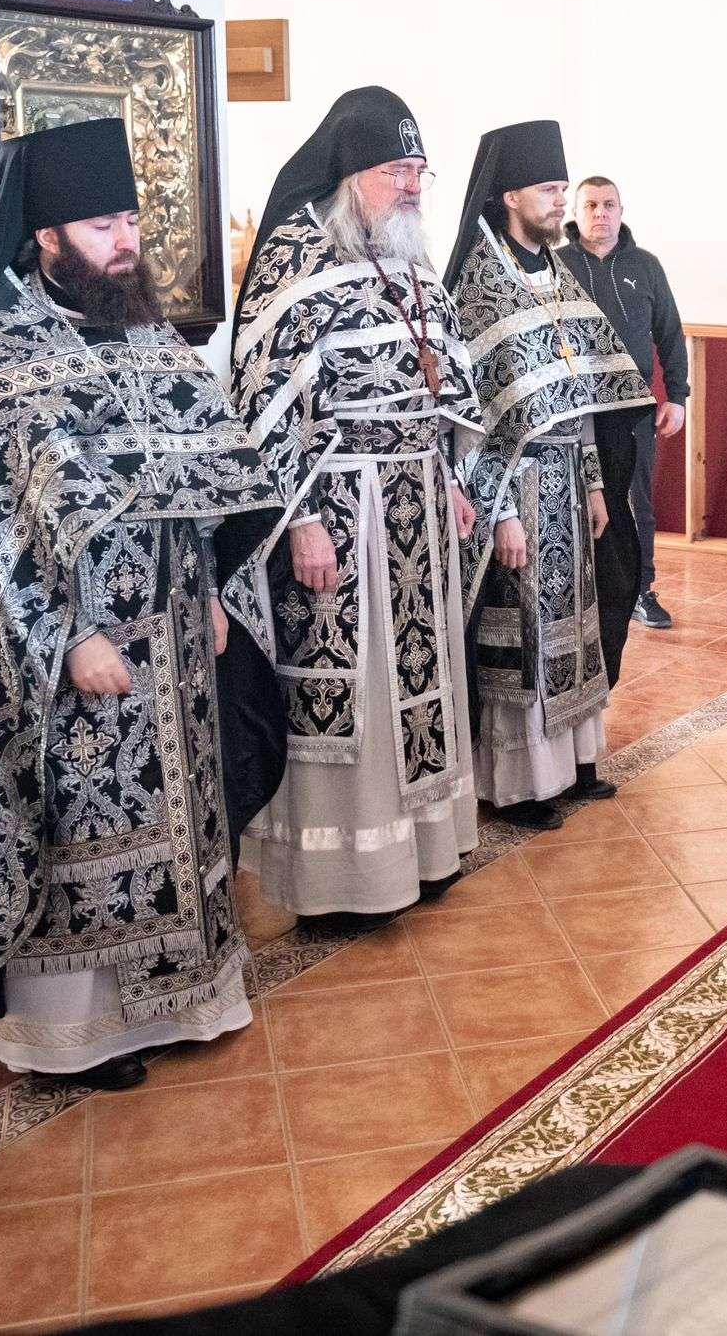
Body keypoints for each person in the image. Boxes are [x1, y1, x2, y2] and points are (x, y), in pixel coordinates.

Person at [0, 119, 283, 1092]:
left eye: (129, 218)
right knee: (86, 826)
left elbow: (200, 479)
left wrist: (211, 591)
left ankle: (185, 1000)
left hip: (173, 630)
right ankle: (80, 1040)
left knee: (181, 820)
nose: (125, 239)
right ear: (44, 239)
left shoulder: (151, 340)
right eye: (100, 224)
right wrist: (65, 635)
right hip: (80, 651)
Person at [224, 87, 484, 932]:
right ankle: (346, 876)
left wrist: (447, 472)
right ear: (349, 175)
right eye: (396, 170)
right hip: (340, 506)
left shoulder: (406, 259)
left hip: (414, 494)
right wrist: (299, 517)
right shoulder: (296, 257)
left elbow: (439, 379)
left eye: (418, 169)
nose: (412, 185)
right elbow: (261, 401)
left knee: (422, 683)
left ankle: (423, 852)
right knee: (354, 694)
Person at [443, 122, 650, 829]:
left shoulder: (557, 272)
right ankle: (521, 786)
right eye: (548, 188)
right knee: (523, 635)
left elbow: (585, 389)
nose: (559, 199)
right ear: (509, 195)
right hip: (517, 488)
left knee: (576, 626)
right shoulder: (479, 284)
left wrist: (595, 482)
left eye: (563, 187)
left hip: (567, 478)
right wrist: (498, 512)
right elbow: (472, 419)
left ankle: (573, 766)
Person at [560, 176, 688, 633]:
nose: (600, 213)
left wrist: (677, 396)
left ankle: (642, 591)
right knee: (573, 502)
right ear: (576, 211)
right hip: (573, 411)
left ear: (621, 209)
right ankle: (578, 594)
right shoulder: (556, 267)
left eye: (609, 204)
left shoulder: (646, 266)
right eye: (590, 204)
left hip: (634, 412)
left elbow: (670, 335)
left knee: (639, 504)